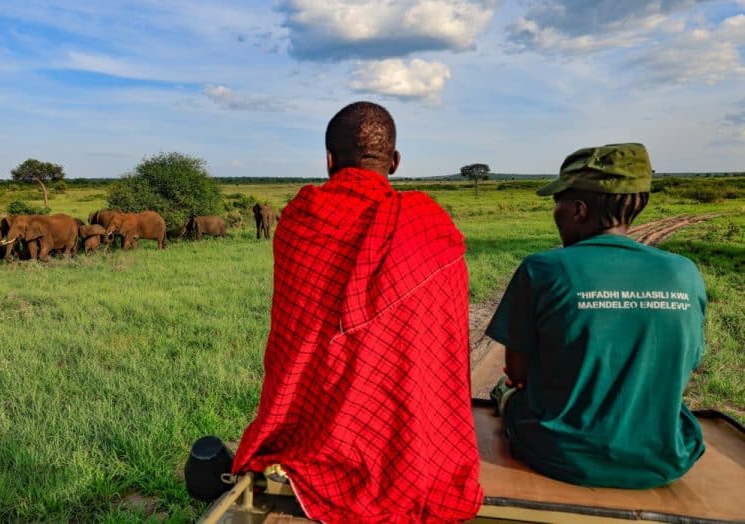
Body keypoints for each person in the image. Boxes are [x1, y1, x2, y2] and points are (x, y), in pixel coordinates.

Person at [232, 102, 483, 523]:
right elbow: (446, 349)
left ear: (329, 160)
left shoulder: (300, 220)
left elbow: (290, 342)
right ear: (396, 161)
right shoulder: (431, 227)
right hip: (414, 441)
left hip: (317, 435)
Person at [486, 143, 706, 489]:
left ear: (578, 210)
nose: (555, 211)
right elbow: (685, 365)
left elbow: (517, 373)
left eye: (557, 202)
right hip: (664, 459)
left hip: (558, 454)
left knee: (507, 392)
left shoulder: (542, 269)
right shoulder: (685, 273)